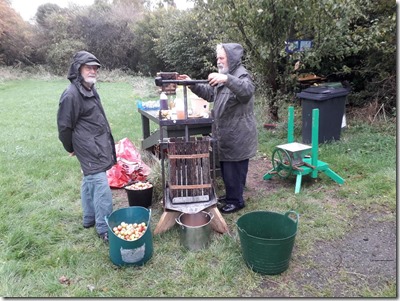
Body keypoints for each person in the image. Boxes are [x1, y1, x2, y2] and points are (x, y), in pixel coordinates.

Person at [178, 43, 258, 214]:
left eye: (222, 58)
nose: (218, 61)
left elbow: (246, 91)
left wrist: (227, 79)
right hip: (225, 133)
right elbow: (209, 93)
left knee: (235, 168)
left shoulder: (240, 75)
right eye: (217, 58)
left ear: (232, 58)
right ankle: (231, 195)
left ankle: (236, 201)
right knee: (226, 168)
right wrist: (192, 84)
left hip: (238, 133)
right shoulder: (225, 75)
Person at [57, 50, 116, 243]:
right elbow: (64, 126)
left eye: (95, 68)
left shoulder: (89, 88)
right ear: (77, 69)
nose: (92, 71)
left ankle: (89, 218)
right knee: (100, 184)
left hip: (96, 143)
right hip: (87, 146)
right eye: (88, 67)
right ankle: (105, 228)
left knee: (88, 179)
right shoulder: (71, 95)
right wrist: (70, 147)